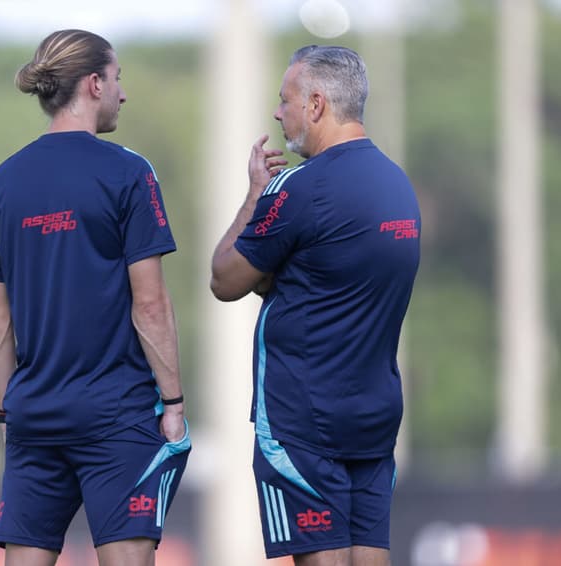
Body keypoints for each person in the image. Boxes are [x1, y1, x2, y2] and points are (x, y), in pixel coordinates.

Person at [0, 29, 190, 566]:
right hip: (116, 416)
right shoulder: (129, 173)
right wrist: (173, 404)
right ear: (94, 83)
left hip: (34, 418)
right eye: (118, 79)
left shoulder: (1, 184)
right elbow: (151, 305)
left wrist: (11, 411)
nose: (124, 93)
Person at [210, 45, 420, 566]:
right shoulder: (399, 186)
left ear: (317, 104)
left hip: (303, 421)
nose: (278, 113)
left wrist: (255, 194)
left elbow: (225, 278)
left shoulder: (298, 188)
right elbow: (327, 279)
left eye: (285, 101)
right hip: (374, 414)